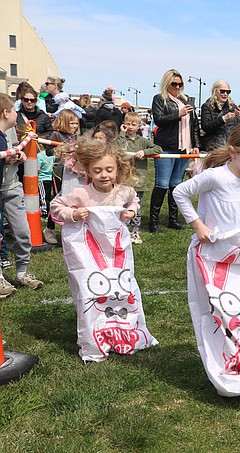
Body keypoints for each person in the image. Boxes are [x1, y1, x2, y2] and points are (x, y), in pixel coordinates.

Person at [172, 123, 240, 399]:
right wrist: (198, 225)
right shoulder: (216, 177)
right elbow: (180, 193)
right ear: (233, 152)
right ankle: (225, 368)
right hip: (214, 258)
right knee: (220, 314)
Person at [50, 139, 156, 363]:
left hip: (117, 254)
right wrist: (73, 214)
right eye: (97, 171)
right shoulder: (81, 193)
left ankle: (124, 330)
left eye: (109, 169)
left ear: (118, 168)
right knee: (91, 290)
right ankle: (94, 337)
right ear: (87, 170)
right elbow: (56, 207)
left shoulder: (123, 191)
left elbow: (133, 201)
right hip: (89, 254)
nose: (104, 175)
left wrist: (131, 211)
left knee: (122, 288)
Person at [0, 94, 44, 298]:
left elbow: (14, 148)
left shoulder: (10, 129)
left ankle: (22, 272)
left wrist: (18, 155)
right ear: (6, 113)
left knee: (23, 232)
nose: (18, 113)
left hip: (12, 187)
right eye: (14, 109)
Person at [150, 68, 200, 233]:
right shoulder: (160, 99)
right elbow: (159, 120)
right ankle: (153, 222)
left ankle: (173, 219)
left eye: (180, 84)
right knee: (162, 184)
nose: (178, 87)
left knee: (176, 185)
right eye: (174, 84)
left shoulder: (186, 100)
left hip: (185, 149)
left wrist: (196, 144)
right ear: (167, 83)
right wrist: (178, 113)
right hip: (166, 147)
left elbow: (194, 125)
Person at [118, 111, 163, 244]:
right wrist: (121, 133)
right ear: (123, 124)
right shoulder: (121, 139)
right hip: (124, 179)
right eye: (128, 124)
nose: (130, 127)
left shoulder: (143, 141)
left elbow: (158, 149)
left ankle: (135, 231)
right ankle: (123, 230)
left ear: (139, 126)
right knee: (123, 204)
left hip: (139, 179)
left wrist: (145, 152)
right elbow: (117, 148)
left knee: (136, 205)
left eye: (134, 124)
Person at [43, 109, 81, 244]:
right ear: (64, 122)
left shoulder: (77, 137)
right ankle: (50, 228)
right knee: (59, 199)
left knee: (73, 200)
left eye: (76, 123)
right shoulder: (56, 134)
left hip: (75, 173)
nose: (75, 126)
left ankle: (71, 228)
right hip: (59, 173)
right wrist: (64, 149)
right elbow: (48, 151)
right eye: (72, 123)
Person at [200, 80, 240, 151]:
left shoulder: (233, 107)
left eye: (228, 92)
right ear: (215, 91)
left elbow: (238, 130)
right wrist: (223, 118)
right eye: (222, 91)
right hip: (214, 146)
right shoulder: (207, 106)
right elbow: (206, 127)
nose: (225, 94)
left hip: (229, 146)